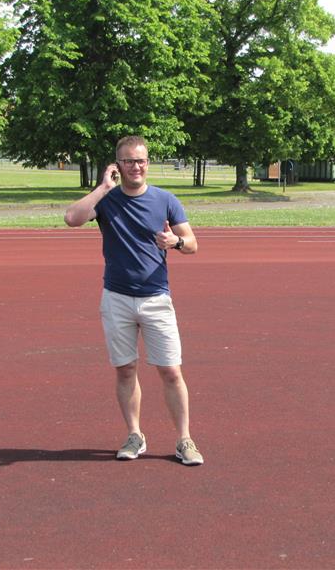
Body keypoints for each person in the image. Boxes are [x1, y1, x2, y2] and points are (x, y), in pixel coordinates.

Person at [64, 136, 204, 466]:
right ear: (118, 165)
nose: (135, 166)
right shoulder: (107, 200)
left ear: (148, 163)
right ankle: (134, 435)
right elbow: (72, 218)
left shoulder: (166, 200)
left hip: (156, 298)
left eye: (140, 160)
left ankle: (185, 439)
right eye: (128, 161)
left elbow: (193, 244)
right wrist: (103, 187)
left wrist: (175, 241)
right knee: (126, 369)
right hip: (117, 298)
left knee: (171, 371)